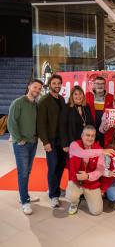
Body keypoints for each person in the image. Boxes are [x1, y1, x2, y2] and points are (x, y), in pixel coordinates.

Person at [7, 79, 43, 215]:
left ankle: (25, 194)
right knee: (22, 172)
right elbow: (11, 122)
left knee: (27, 171)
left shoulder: (36, 105)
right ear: (29, 86)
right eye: (35, 87)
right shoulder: (18, 102)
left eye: (39, 88)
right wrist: (18, 139)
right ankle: (24, 201)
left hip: (33, 142)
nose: (37, 90)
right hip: (22, 144)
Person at [37, 74, 67, 209]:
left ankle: (57, 188)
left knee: (60, 166)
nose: (57, 86)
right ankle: (53, 195)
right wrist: (45, 142)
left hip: (62, 140)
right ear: (49, 85)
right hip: (51, 140)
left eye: (59, 83)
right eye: (54, 83)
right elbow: (40, 124)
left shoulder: (61, 99)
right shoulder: (44, 100)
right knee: (53, 166)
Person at [66, 125, 106, 215]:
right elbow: (82, 153)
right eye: (87, 135)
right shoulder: (74, 145)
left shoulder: (99, 149)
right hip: (76, 181)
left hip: (91, 183)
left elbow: (101, 170)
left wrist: (88, 176)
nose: (90, 138)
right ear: (82, 135)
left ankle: (87, 196)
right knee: (71, 196)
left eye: (92, 136)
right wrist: (102, 151)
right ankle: (74, 203)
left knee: (97, 211)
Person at [60, 86, 94, 152]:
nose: (78, 96)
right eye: (75, 94)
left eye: (80, 93)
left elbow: (91, 124)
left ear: (83, 95)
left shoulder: (86, 106)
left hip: (86, 142)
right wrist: (65, 144)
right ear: (72, 96)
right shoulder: (67, 107)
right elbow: (62, 127)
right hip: (72, 142)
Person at [86, 76, 114, 146]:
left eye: (102, 84)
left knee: (104, 148)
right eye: (97, 83)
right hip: (91, 127)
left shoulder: (111, 97)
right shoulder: (87, 96)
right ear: (94, 85)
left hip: (105, 129)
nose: (100, 86)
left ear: (105, 85)